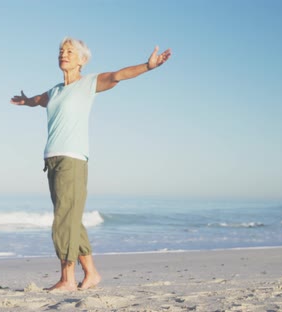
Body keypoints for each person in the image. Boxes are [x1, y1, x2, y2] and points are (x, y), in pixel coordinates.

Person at [10, 37, 171, 291]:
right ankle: (92, 274)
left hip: (72, 159)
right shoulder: (54, 91)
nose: (64, 54)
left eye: (70, 51)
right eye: (61, 51)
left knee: (64, 219)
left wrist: (148, 66)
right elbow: (38, 100)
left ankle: (67, 279)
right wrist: (26, 100)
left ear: (82, 60)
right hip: (52, 160)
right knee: (71, 217)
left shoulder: (88, 84)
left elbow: (118, 75)